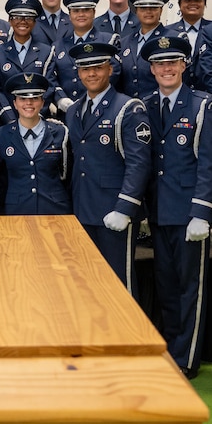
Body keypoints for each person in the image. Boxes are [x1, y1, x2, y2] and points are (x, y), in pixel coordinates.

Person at [141, 36, 212, 378]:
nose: (167, 69)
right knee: (167, 286)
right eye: (160, 64)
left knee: (193, 288)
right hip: (159, 212)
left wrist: (202, 212)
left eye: (173, 62)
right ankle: (173, 349)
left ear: (184, 66)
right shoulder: (143, 104)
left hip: (190, 214)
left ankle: (187, 358)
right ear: (151, 69)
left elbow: (210, 162)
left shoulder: (204, 105)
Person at [65, 42, 151, 292]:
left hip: (113, 211)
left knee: (119, 285)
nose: (91, 74)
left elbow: (139, 162)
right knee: (87, 284)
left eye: (98, 67)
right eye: (85, 69)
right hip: (82, 210)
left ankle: (129, 332)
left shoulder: (128, 108)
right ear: (78, 73)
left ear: (110, 69)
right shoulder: (74, 110)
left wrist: (125, 209)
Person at [0, 72, 71, 215]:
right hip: (16, 211)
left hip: (55, 210)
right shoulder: (1, 135)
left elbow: (68, 176)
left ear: (42, 102)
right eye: (22, 98)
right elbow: (0, 178)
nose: (28, 103)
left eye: (35, 98)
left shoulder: (60, 132)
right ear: (15, 103)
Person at [0, 0, 56, 125]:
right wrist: (9, 118)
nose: (22, 21)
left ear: (35, 22)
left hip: (37, 120)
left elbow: (49, 87)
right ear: (10, 21)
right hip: (6, 121)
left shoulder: (46, 52)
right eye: (17, 17)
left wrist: (33, 118)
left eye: (28, 17)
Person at [53, 0, 120, 111]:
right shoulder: (58, 46)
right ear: (69, 15)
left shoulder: (108, 40)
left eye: (86, 10)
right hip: (66, 111)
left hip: (101, 108)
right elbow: (51, 77)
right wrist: (60, 98)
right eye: (76, 11)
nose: (81, 15)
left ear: (94, 13)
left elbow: (114, 72)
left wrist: (89, 97)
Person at [117, 0, 174, 98]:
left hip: (160, 107)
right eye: (143, 8)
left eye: (153, 7)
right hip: (130, 109)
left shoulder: (172, 39)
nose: (148, 12)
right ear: (136, 11)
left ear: (161, 10)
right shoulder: (124, 42)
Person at [166, 0, 212, 86]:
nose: (193, 3)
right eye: (187, 0)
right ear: (179, 4)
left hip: (210, 92)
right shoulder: (167, 33)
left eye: (198, 0)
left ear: (204, 4)